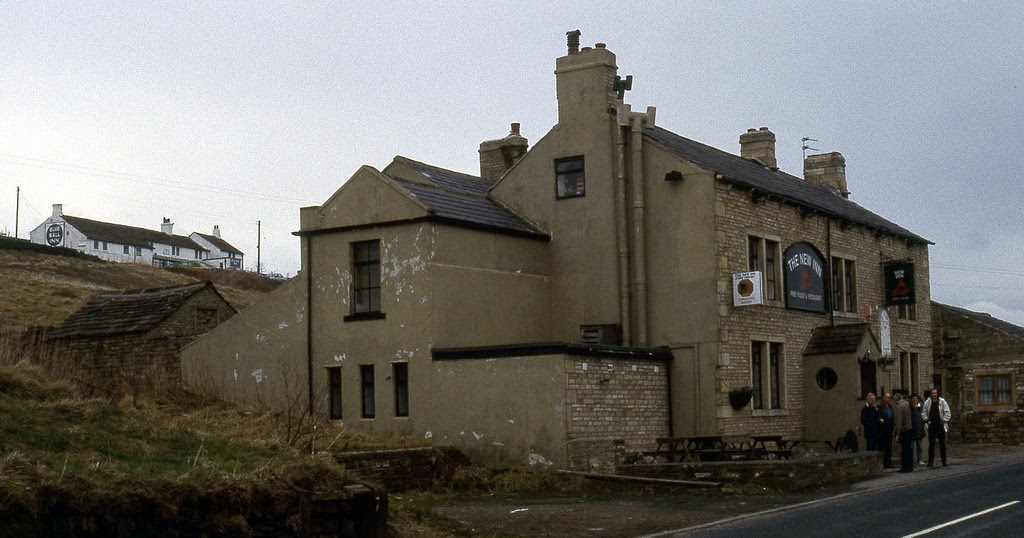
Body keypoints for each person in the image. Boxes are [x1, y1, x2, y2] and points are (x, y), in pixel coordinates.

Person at [922, 387, 951, 467]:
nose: (934, 394)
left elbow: (947, 412)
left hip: (940, 425)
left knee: (942, 444)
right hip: (931, 425)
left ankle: (944, 461)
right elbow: (923, 413)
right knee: (931, 444)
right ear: (931, 394)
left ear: (937, 394)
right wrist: (927, 420)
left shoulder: (942, 402)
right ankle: (930, 462)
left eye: (935, 393)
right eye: (932, 393)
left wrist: (943, 420)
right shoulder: (927, 402)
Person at [893, 393, 914, 472]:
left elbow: (899, 422)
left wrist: (897, 434)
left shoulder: (899, 407)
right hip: (910, 429)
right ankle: (910, 466)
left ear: (896, 400)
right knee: (909, 448)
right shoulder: (908, 404)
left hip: (904, 430)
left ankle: (905, 467)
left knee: (904, 450)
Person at [878, 392, 895, 468]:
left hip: (889, 429)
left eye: (888, 398)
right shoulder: (880, 407)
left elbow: (892, 415)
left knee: (889, 447)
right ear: (883, 398)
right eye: (886, 397)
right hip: (882, 430)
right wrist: (881, 420)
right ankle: (882, 463)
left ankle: (888, 463)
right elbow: (878, 416)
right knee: (882, 447)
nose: (887, 399)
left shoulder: (890, 406)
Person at [911, 394, 926, 465]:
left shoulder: (921, 408)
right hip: (912, 429)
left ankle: (920, 459)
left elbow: (923, 417)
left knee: (919, 447)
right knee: (911, 447)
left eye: (916, 399)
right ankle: (911, 460)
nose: (914, 400)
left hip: (919, 429)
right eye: (913, 399)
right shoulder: (910, 408)